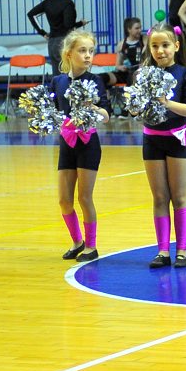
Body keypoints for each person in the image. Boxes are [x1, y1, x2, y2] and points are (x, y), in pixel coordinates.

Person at [139, 23, 186, 268]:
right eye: (154, 46)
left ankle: (181, 250)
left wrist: (166, 102)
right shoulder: (143, 74)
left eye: (165, 45)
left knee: (179, 196)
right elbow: (137, 108)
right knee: (159, 197)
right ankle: (163, 251)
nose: (160, 50)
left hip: (177, 139)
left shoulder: (185, 73)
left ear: (176, 46)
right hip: (152, 139)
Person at [51, 29, 110, 264]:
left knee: (84, 197)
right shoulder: (58, 82)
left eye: (91, 51)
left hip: (88, 143)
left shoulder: (95, 81)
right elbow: (54, 112)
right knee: (64, 199)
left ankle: (92, 246)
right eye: (82, 50)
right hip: (67, 143)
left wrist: (93, 107)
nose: (88, 56)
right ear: (68, 54)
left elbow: (107, 115)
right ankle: (77, 242)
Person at [27, 0, 88, 76]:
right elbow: (68, 25)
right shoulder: (67, 3)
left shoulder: (47, 2)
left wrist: (42, 33)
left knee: (57, 76)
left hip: (52, 43)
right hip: (65, 42)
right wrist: (80, 23)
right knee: (71, 76)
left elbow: (31, 14)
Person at [102, 17, 144, 89]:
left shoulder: (144, 40)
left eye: (140, 28)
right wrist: (122, 67)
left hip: (141, 73)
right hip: (128, 72)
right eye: (137, 28)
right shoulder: (121, 44)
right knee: (103, 77)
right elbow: (117, 65)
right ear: (129, 29)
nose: (140, 30)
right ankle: (107, 95)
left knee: (133, 77)